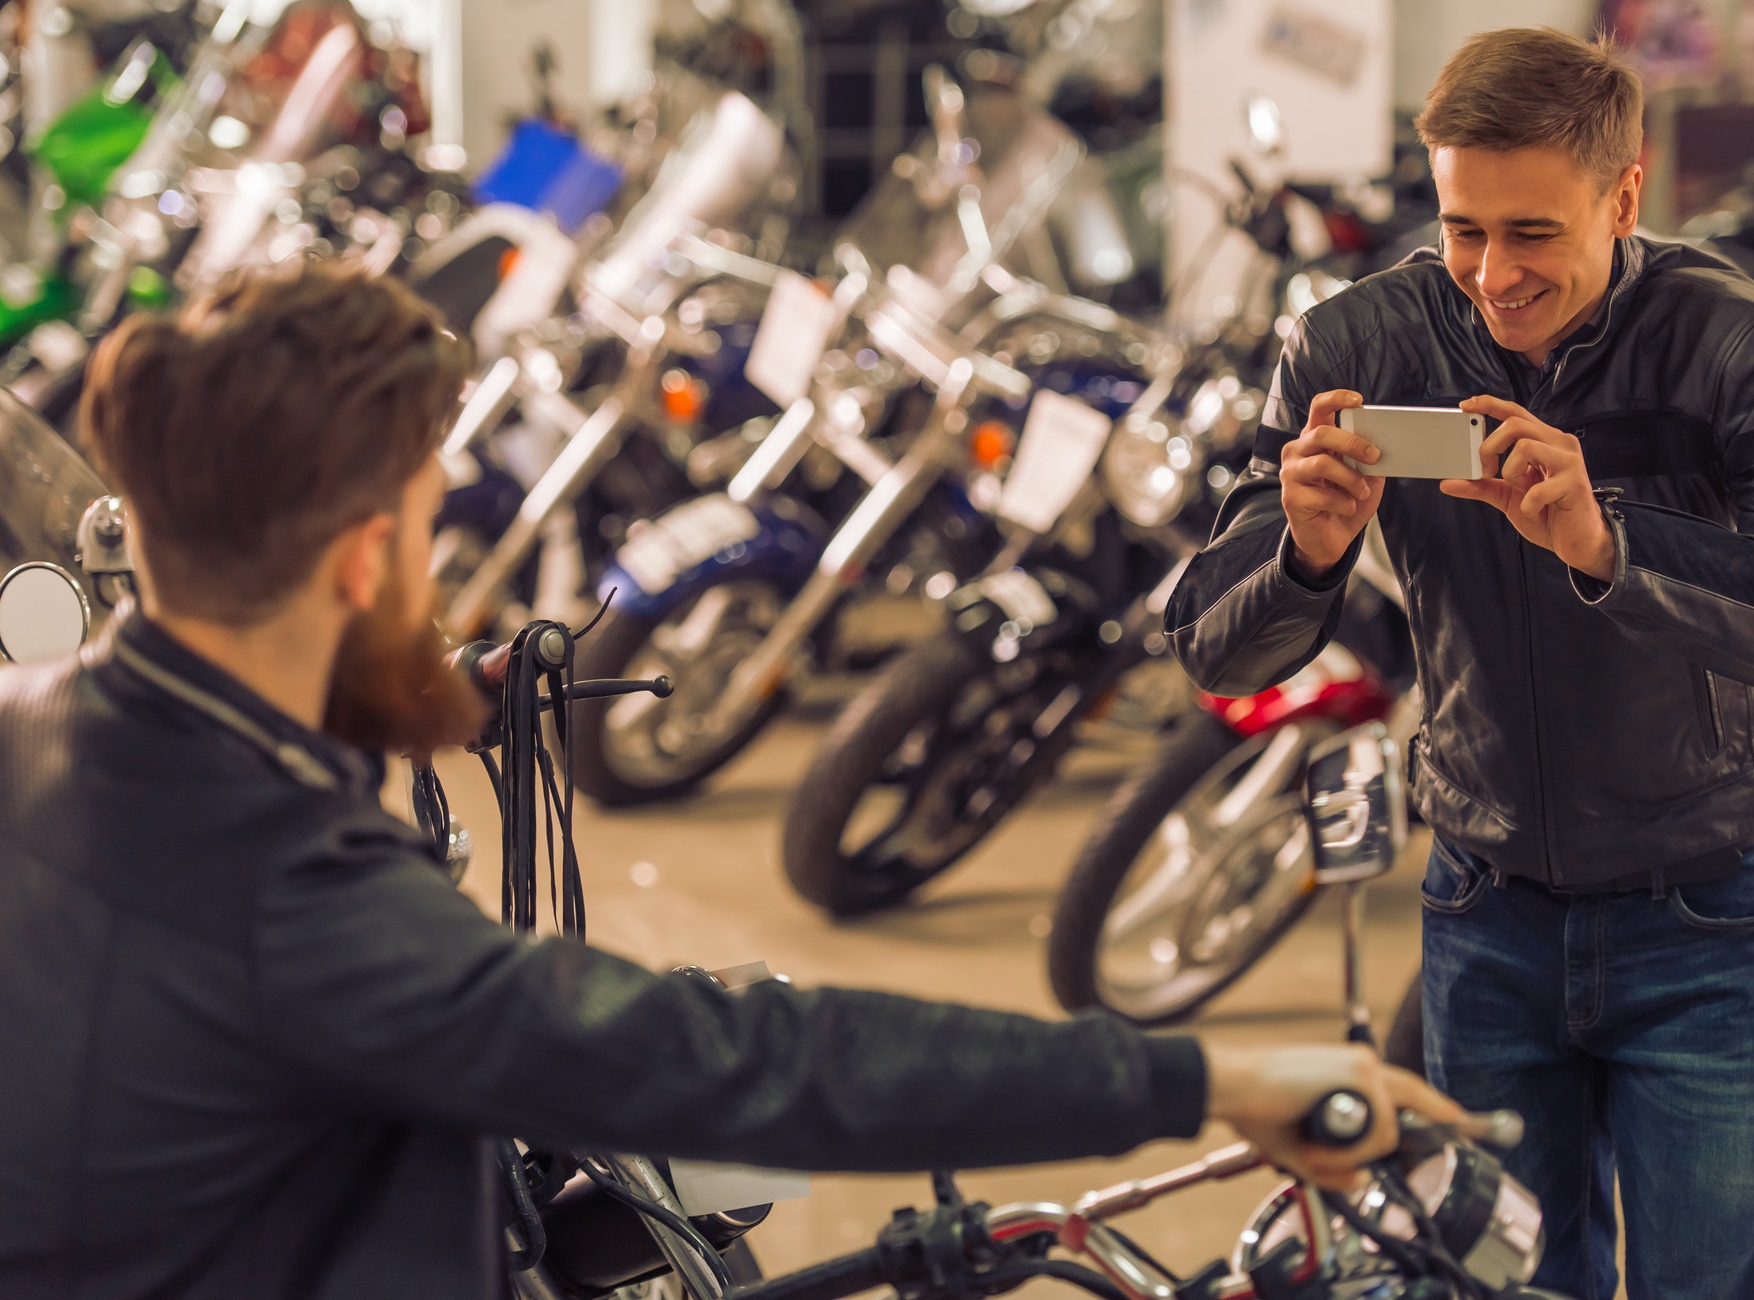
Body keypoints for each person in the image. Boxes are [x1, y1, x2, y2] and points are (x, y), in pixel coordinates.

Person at [0, 263, 1458, 1300]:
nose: (438, 568)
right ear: (361, 557)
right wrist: (1215, 1073)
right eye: (430, 526)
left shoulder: (46, 728)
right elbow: (743, 1061)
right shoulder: (299, 906)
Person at [1166, 28, 1754, 1300]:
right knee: (1497, 1284)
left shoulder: (1734, 341)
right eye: (1460, 228)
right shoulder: (1351, 345)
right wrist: (1304, 551)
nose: (1490, 275)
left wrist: (1611, 540)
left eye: (1531, 234)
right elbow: (1209, 646)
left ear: (1621, 195)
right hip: (1482, 910)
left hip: (1706, 910)